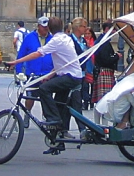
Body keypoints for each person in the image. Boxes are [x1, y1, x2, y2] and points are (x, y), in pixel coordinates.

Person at [7, 16, 83, 147]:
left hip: (70, 77)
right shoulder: (65, 38)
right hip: (70, 74)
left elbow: (38, 53)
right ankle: (57, 141)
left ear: (49, 28)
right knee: (59, 105)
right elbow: (64, 61)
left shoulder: (56, 40)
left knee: (44, 89)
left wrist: (15, 62)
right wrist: (51, 74)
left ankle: (52, 119)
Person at [14, 16, 54, 123]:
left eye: (48, 27)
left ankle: (46, 118)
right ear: (38, 26)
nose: (46, 29)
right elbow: (21, 55)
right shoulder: (29, 37)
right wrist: (18, 72)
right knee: (30, 97)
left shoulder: (52, 38)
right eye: (44, 26)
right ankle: (27, 113)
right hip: (32, 73)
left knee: (46, 97)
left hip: (47, 74)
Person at [92, 20, 120, 105]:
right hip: (104, 71)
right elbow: (105, 59)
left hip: (102, 71)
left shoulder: (102, 40)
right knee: (105, 98)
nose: (115, 32)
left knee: (104, 98)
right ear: (107, 29)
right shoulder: (103, 42)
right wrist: (116, 56)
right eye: (113, 30)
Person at [69, 17, 91, 110]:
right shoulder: (70, 40)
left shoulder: (83, 40)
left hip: (82, 71)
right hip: (73, 72)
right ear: (78, 27)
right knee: (75, 100)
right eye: (84, 26)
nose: (86, 29)